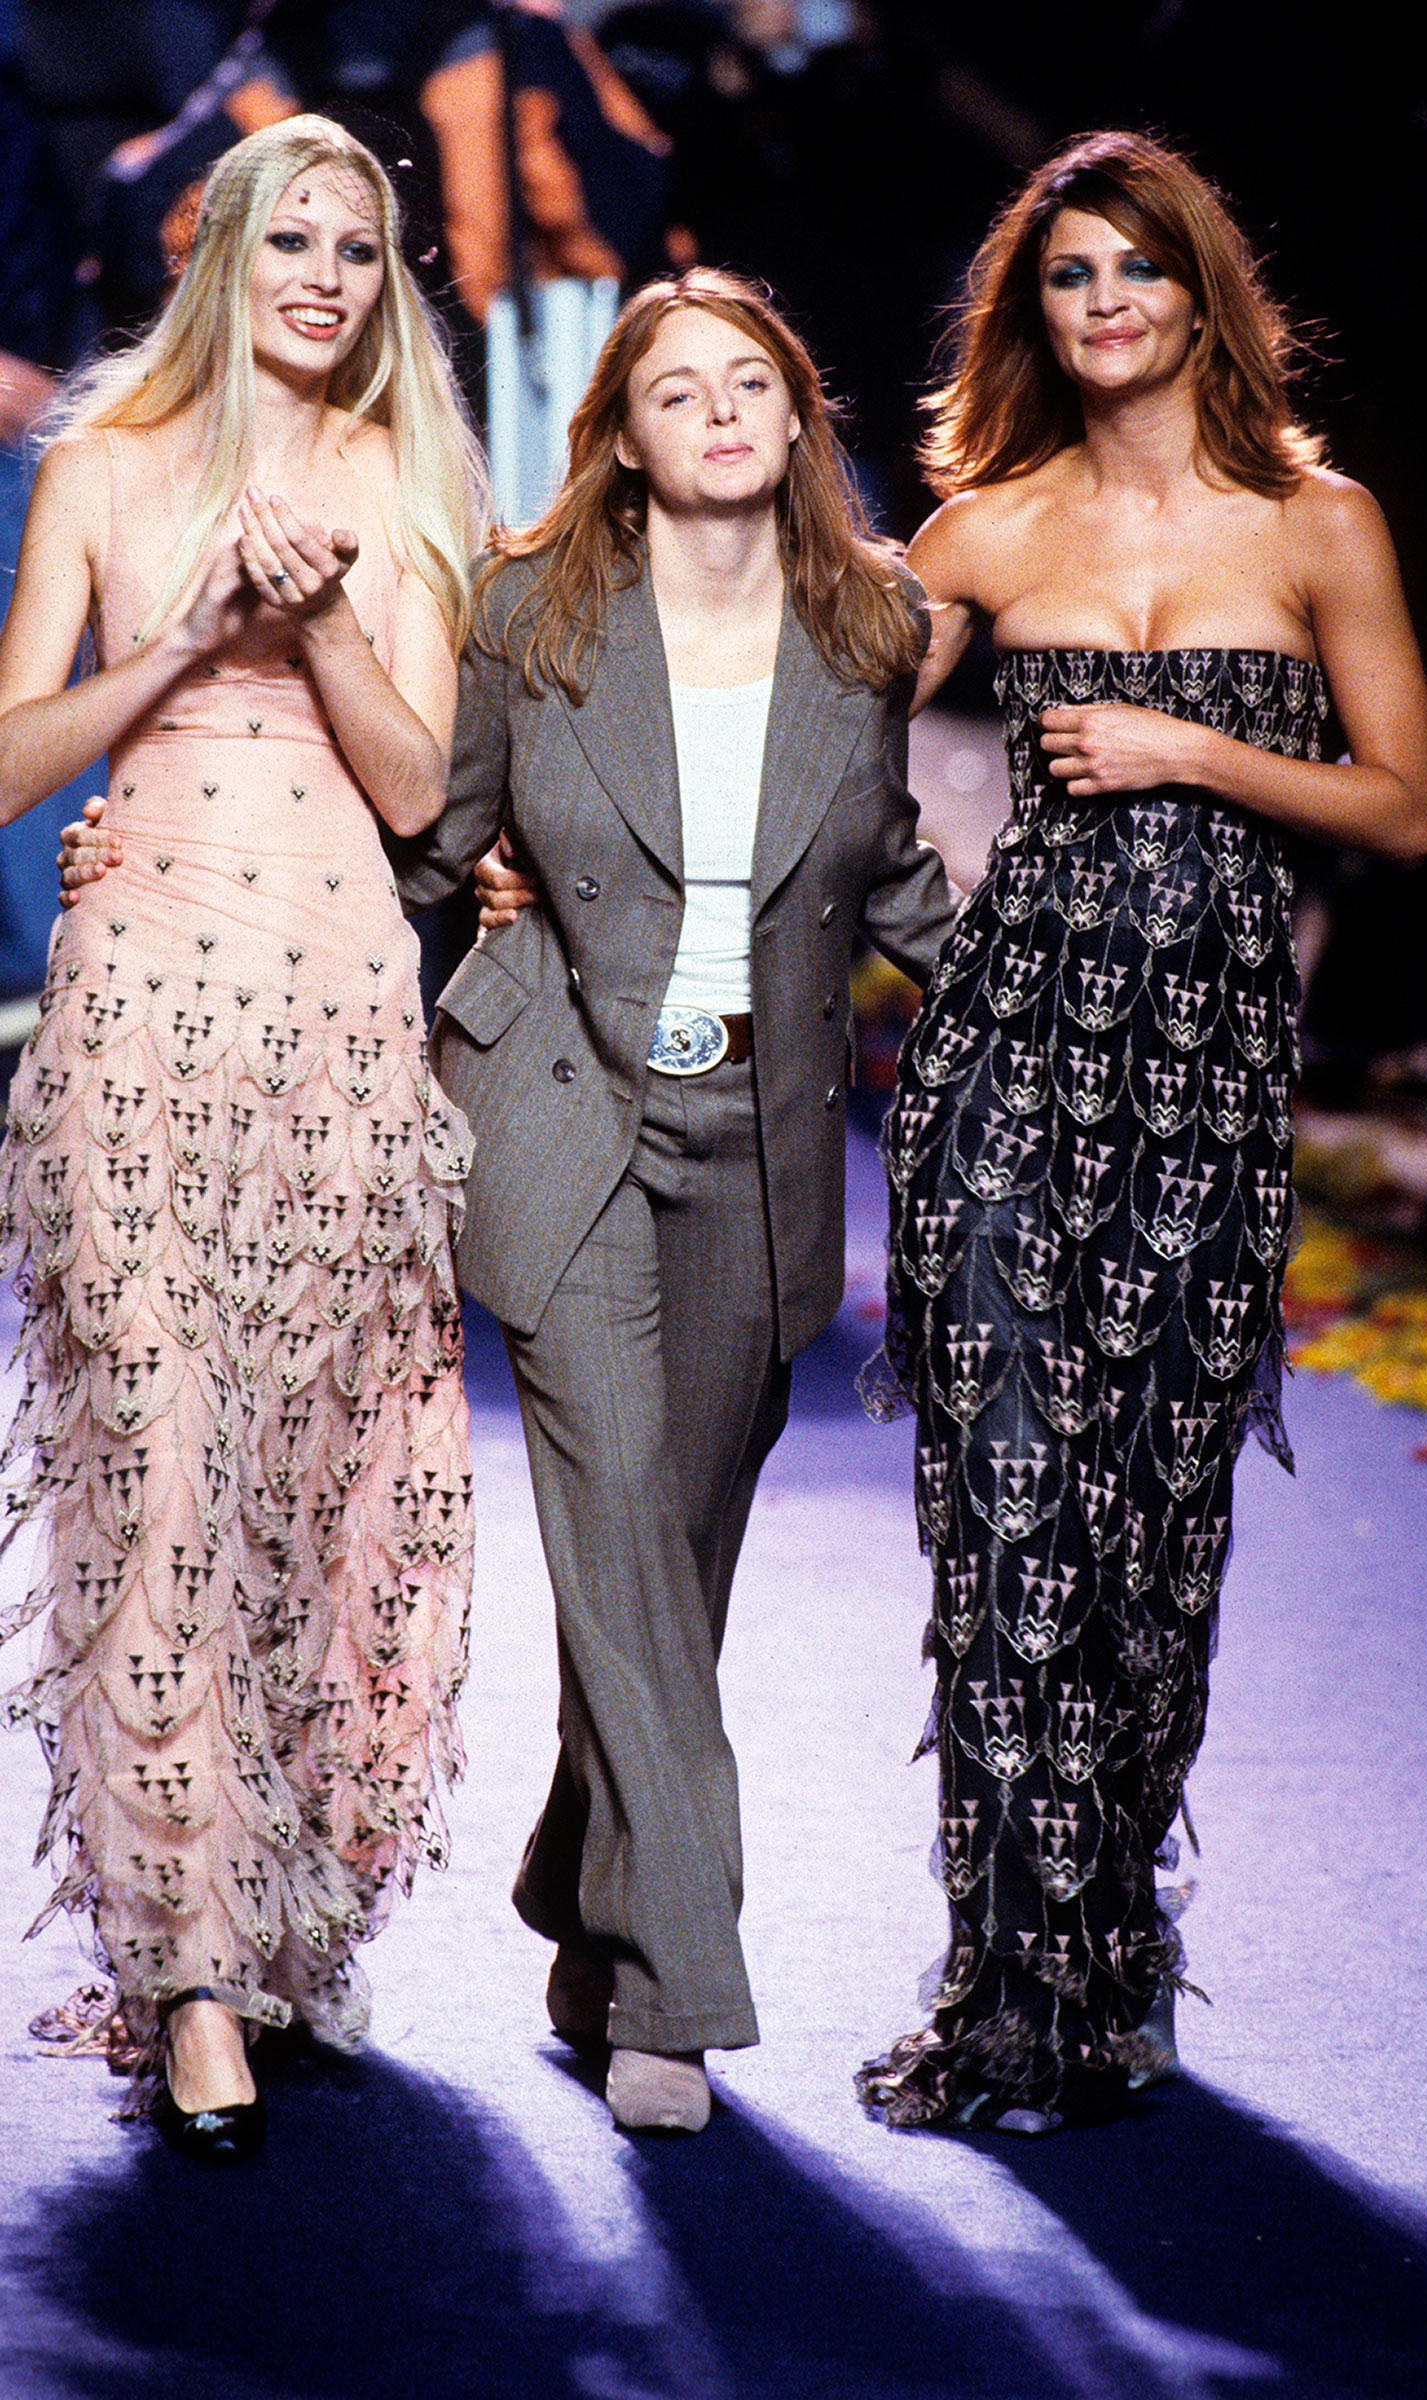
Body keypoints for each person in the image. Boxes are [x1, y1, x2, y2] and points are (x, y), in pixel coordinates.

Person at [856, 130, 1427, 2131]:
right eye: (1066, 279)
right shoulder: (980, 530)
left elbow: (1407, 805)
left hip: (1210, 1087)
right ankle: (1001, 1988)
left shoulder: (1316, 522)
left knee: (1150, 1552)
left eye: (1134, 272)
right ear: (1038, 313)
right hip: (1009, 1071)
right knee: (1005, 1526)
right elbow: (814, 769)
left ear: (1202, 297)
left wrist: (1190, 750)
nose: (1101, 305)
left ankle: (1106, 1947)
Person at [392, 267, 957, 2132]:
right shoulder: (529, 615)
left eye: (750, 384)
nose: (718, 411)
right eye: (675, 390)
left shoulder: (870, 632)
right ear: (621, 438)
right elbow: (439, 845)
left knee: (666, 1571)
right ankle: (680, 1993)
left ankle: (588, 1895)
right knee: (621, 1522)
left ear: (797, 422)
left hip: (764, 1149)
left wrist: (1036, 1005)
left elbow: (882, 886)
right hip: (562, 1111)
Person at [0, 114, 487, 2159]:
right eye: (291, 240)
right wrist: (192, 633)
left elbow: (413, 791)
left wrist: (328, 628)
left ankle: (291, 1926)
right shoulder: (102, 471)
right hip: (133, 1019)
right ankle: (186, 1964)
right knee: (159, 1469)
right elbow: (12, 758)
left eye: (360, 252)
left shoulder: (417, 474)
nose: (323, 278)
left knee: (327, 1480)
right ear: (217, 253)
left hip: (338, 1029)